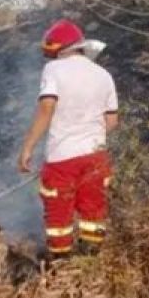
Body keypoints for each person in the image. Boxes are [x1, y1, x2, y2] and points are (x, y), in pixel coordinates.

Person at [18, 19, 118, 260]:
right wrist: (89, 136)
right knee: (93, 212)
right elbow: (112, 121)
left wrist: (28, 148)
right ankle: (91, 262)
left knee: (59, 217)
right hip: (96, 155)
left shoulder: (54, 70)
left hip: (62, 158)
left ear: (57, 50)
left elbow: (47, 107)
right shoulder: (103, 74)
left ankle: (62, 267)